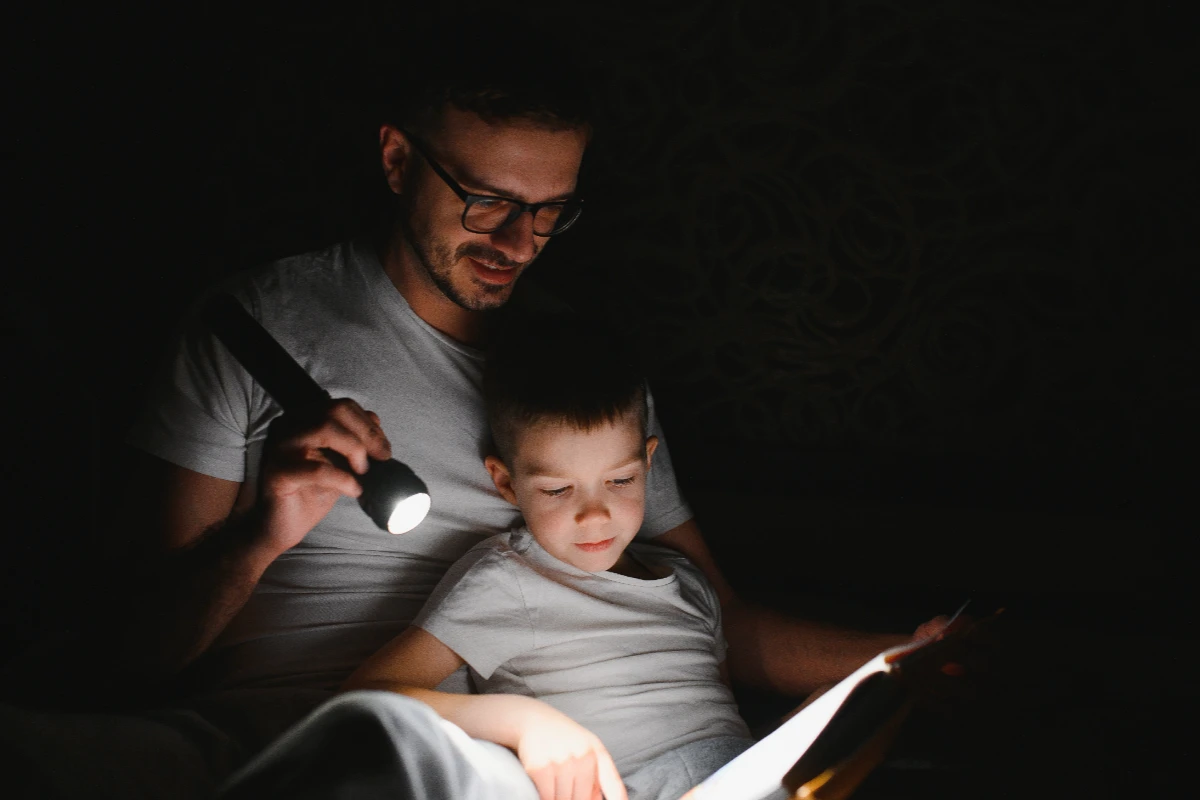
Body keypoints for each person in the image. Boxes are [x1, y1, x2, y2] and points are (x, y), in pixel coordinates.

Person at [1, 15, 943, 799]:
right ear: (398, 158)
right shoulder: (255, 328)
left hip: (463, 749)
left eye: (549, 210)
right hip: (245, 739)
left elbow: (713, 619)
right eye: (486, 200)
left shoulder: (576, 380)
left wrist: (904, 657)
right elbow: (127, 659)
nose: (517, 241)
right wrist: (261, 536)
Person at [335, 314, 765, 800]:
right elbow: (367, 694)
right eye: (558, 489)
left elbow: (730, 714)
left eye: (620, 480)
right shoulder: (508, 579)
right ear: (506, 484)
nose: (594, 515)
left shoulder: (689, 583)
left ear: (648, 462)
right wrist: (522, 723)